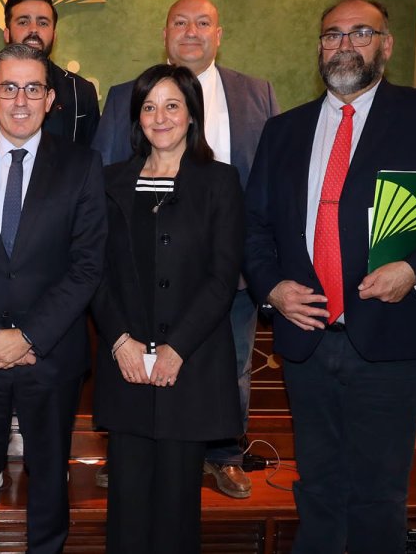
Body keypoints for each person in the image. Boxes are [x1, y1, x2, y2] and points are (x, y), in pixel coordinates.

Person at [244, 0, 416, 552]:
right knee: (317, 485)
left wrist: (414, 268)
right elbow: (254, 228)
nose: (344, 44)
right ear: (319, 47)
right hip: (307, 338)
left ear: (385, 45)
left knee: (378, 493)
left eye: (360, 33)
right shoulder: (283, 130)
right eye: (332, 34)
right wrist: (272, 287)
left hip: (392, 334)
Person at [92, 0, 279, 498]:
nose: (191, 31)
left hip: (227, 271)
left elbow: (269, 183)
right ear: (165, 33)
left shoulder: (256, 94)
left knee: (232, 366)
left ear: (219, 34)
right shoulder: (123, 95)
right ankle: (131, 448)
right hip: (142, 273)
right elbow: (106, 183)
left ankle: (223, 454)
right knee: (135, 362)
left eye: (203, 23)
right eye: (180, 22)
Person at [0, 43, 107, 553]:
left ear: (51, 98)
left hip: (50, 353)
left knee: (51, 480)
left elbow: (87, 266)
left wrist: (29, 336)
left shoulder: (82, 165)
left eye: (33, 88)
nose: (20, 100)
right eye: (8, 87)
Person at [92, 64, 244, 553]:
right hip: (127, 366)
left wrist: (177, 347)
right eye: (149, 106)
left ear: (192, 114)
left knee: (178, 512)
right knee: (127, 510)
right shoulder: (110, 181)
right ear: (137, 118)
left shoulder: (219, 182)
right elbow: (93, 272)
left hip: (190, 368)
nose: (160, 117)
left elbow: (223, 278)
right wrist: (119, 341)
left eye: (172, 105)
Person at [0, 0, 100, 146]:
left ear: (54, 35)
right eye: (23, 22)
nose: (34, 30)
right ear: (6, 33)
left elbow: (91, 160)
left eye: (43, 23)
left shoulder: (81, 91)